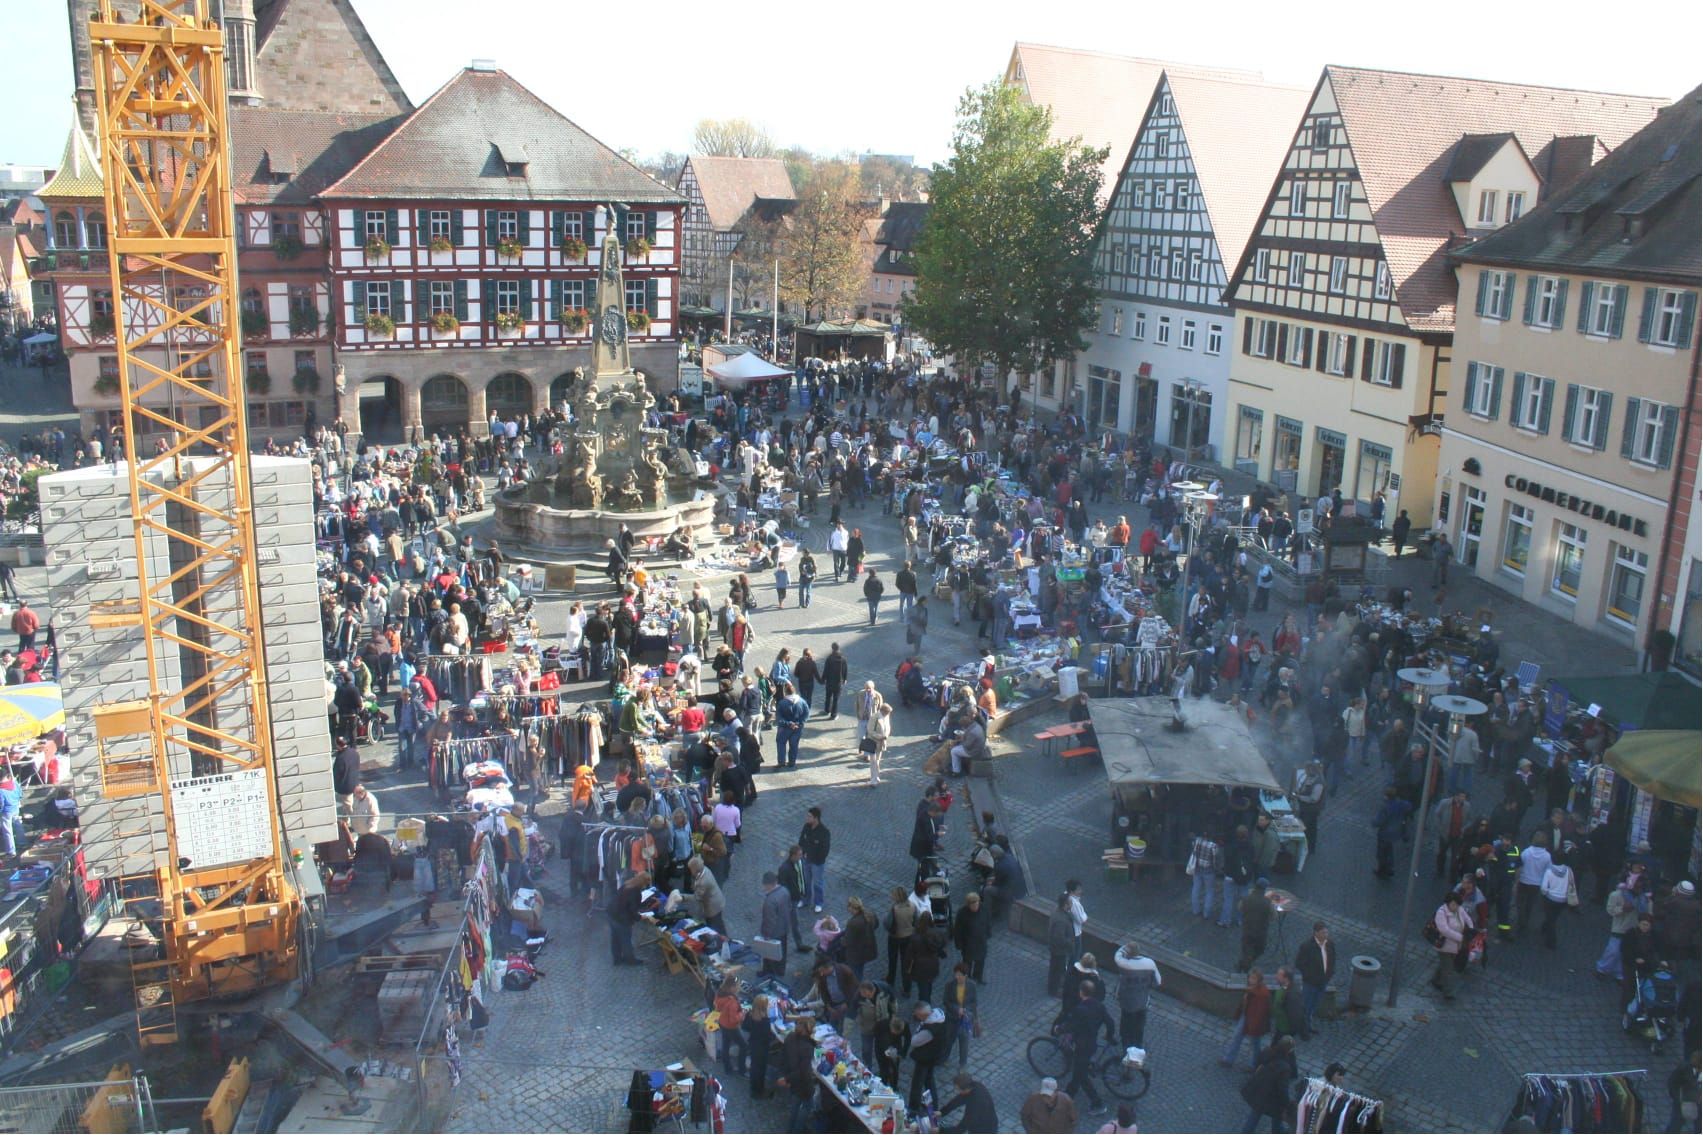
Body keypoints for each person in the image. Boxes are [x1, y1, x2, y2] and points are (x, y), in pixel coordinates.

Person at [1054, 978, 1116, 1116]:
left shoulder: (1080, 1009)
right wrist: (1109, 1036)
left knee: (1081, 1075)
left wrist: (1059, 1029)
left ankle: (1097, 1104)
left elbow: (1071, 1025)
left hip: (1082, 1046)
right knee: (1078, 1072)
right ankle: (1069, 1094)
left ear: (1081, 992)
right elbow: (1110, 1022)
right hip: (1091, 1043)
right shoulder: (1099, 1006)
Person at [1240, 1035, 1298, 1133]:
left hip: (1259, 1089)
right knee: (1276, 1115)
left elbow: (1258, 1065)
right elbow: (1282, 1089)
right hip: (1272, 1096)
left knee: (1255, 1114)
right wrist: (1287, 1103)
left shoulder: (1267, 1052)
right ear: (1289, 1050)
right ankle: (1277, 1131)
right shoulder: (1285, 1067)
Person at [1222, 968, 1272, 1070]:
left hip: (1254, 1022)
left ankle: (1254, 1064)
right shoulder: (1251, 989)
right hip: (1246, 1017)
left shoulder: (1262, 993)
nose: (1250, 980)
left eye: (1253, 978)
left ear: (1259, 980)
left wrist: (1254, 1025)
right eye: (1250, 977)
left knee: (1255, 1043)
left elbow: (1261, 1012)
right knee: (1237, 1037)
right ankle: (1228, 1060)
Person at [1293, 922, 1335, 1040]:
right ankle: (1303, 1029)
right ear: (1316, 933)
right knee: (1306, 1006)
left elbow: (1332, 960)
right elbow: (1299, 963)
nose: (1326, 935)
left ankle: (1308, 1025)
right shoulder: (1307, 946)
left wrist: (1330, 974)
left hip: (1323, 981)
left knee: (1314, 1005)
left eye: (1326, 932)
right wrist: (1309, 976)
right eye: (1323, 933)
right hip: (1310, 983)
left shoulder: (1330, 944)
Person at [1113, 946, 1160, 1047]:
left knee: (1126, 1020)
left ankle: (1125, 1044)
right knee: (1139, 1023)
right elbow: (1158, 982)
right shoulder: (1149, 963)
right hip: (1142, 1000)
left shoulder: (1123, 963)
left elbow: (1117, 955)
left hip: (1126, 1000)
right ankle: (1138, 1044)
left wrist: (1124, 948)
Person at [1431, 890, 1472, 999]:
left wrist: (1471, 928)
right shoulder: (1441, 913)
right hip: (1444, 946)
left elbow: (1467, 918)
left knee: (1445, 965)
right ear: (1448, 902)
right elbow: (1445, 930)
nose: (1455, 907)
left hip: (1455, 946)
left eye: (1457, 905)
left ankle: (1436, 980)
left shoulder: (1459, 909)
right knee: (1448, 970)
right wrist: (1461, 938)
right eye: (1453, 904)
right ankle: (1448, 992)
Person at [907, 1001, 947, 1111]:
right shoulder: (939, 1016)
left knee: (917, 1083)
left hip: (925, 1057)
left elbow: (914, 1042)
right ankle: (934, 1105)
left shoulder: (929, 1030)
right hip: (934, 1054)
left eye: (917, 1015)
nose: (917, 1017)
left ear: (922, 1015)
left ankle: (913, 1108)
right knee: (929, 1080)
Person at [782, 1010, 819, 1130]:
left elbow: (784, 1058)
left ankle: (790, 1129)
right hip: (802, 1083)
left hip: (792, 1079)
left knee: (794, 1106)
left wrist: (786, 1077)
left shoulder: (790, 1037)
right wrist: (811, 1088)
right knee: (807, 1106)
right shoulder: (807, 1047)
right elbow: (804, 1071)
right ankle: (797, 1129)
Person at [942, 961, 980, 1069]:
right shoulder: (949, 985)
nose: (957, 977)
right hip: (952, 1018)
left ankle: (962, 1065)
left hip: (965, 1019)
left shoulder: (972, 986)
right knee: (949, 1040)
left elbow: (974, 1002)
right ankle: (944, 1058)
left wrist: (968, 1012)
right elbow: (946, 1001)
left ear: (965, 976)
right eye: (956, 974)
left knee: (964, 1043)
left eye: (959, 975)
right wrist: (957, 1009)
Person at [608, 870, 648, 966]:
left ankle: (617, 959)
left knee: (615, 938)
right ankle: (630, 960)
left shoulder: (627, 884)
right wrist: (640, 917)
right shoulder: (635, 891)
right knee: (626, 940)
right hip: (622, 919)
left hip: (612, 914)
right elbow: (632, 909)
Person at [952, 891, 992, 983]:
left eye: (977, 904)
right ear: (968, 904)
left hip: (981, 941)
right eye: (973, 905)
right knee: (967, 962)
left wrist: (988, 934)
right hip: (968, 943)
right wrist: (959, 944)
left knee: (980, 961)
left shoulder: (984, 909)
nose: (975, 907)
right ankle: (967, 978)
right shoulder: (962, 913)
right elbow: (958, 930)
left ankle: (978, 977)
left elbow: (988, 922)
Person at [1373, 787, 1413, 880]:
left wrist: (1373, 821)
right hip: (1395, 832)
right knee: (1389, 850)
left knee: (1381, 852)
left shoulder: (1385, 808)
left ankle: (1382, 869)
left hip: (1384, 834)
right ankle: (1390, 868)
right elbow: (1409, 806)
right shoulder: (1400, 804)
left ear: (1387, 796)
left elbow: (1378, 821)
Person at [758, 872, 792, 976]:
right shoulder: (785, 891)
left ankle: (769, 973)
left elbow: (769, 921)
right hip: (784, 928)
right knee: (781, 953)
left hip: (774, 933)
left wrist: (766, 935)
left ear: (768, 885)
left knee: (769, 955)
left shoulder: (770, 901)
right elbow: (789, 908)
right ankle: (780, 971)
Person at [1238, 880, 1274, 972]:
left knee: (1247, 949)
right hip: (1261, 931)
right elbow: (1273, 916)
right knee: (1260, 949)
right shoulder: (1267, 902)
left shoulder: (1246, 898)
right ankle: (1246, 966)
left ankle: (1244, 963)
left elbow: (1240, 908)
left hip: (1247, 928)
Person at [743, 993, 775, 1098]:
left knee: (754, 1068)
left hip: (753, 1044)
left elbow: (745, 1027)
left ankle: (754, 1089)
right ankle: (759, 1091)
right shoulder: (765, 1020)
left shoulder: (750, 1014)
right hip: (762, 1048)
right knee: (761, 1070)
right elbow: (767, 1036)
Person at [800, 806, 831, 911]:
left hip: (817, 863)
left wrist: (814, 858)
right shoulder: (806, 827)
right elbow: (801, 840)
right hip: (805, 860)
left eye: (809, 816)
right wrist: (803, 853)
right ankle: (805, 900)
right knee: (806, 881)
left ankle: (818, 903)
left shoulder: (824, 832)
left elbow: (825, 850)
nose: (807, 818)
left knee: (817, 883)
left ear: (816, 818)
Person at [774, 681, 808, 769]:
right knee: (794, 745)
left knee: (781, 743)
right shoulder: (802, 701)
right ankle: (792, 762)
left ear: (785, 692)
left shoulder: (782, 703)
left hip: (784, 728)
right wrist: (798, 723)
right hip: (797, 728)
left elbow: (779, 717)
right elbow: (806, 714)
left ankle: (781, 762)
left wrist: (789, 723)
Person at [867, 702, 893, 785]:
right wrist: (880, 736)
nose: (888, 714)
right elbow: (870, 730)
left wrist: (886, 735)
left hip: (881, 743)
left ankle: (876, 776)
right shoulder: (874, 717)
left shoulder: (886, 716)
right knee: (873, 761)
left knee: (877, 761)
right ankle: (873, 779)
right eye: (887, 713)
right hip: (873, 742)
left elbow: (888, 727)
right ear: (882, 711)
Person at [821, 643, 849, 719]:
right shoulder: (843, 659)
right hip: (838, 682)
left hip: (829, 681)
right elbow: (845, 670)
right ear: (838, 648)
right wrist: (845, 679)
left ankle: (827, 710)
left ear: (832, 648)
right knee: (835, 699)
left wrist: (823, 679)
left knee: (828, 696)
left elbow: (826, 670)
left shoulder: (829, 658)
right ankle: (834, 714)